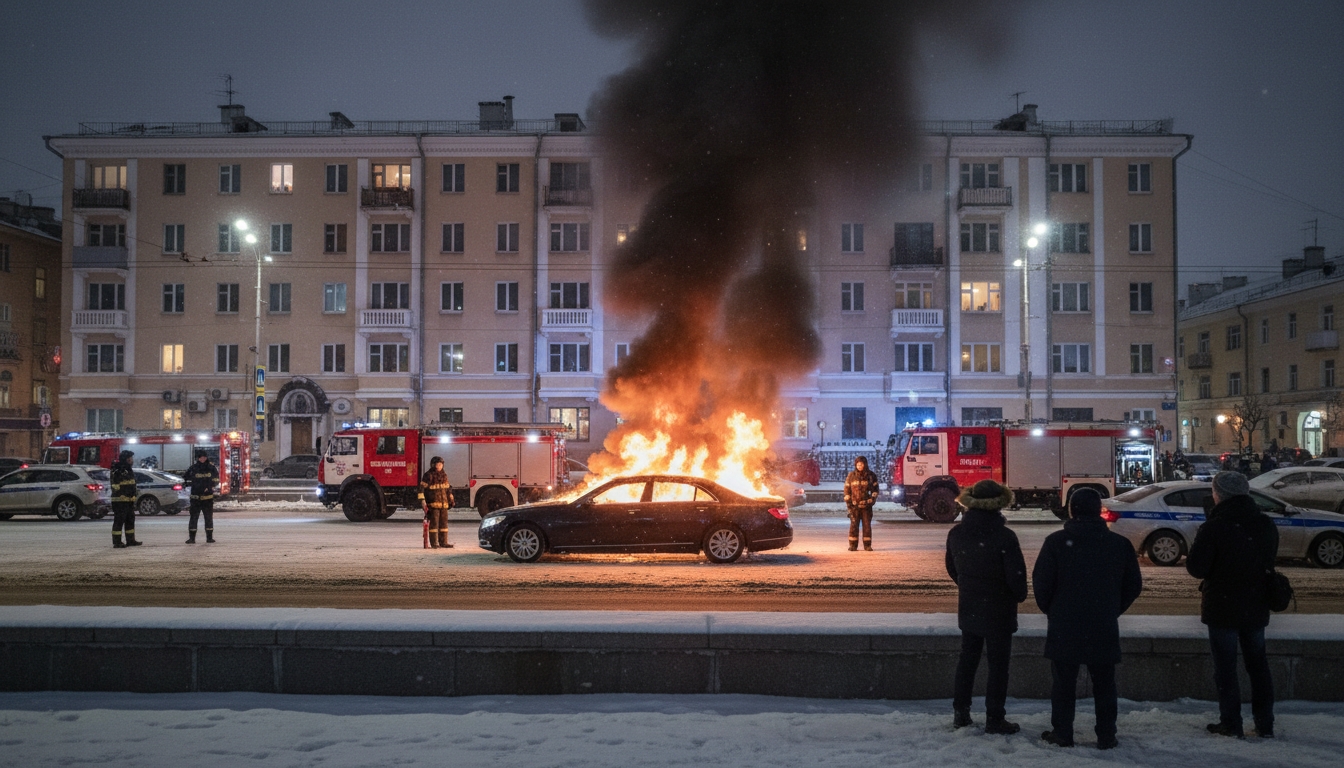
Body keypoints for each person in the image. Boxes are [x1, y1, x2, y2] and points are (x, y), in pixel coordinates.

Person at [1032, 488, 1143, 749]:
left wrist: (1054, 610)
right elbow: (1133, 585)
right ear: (1099, 511)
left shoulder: (1056, 542)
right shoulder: (1119, 544)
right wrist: (1112, 608)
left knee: (1063, 684)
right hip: (1102, 622)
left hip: (1065, 623)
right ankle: (1106, 735)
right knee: (1104, 684)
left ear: (1072, 510)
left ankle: (1062, 732)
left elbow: (1041, 584)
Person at [1186, 470, 1279, 738]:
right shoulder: (1264, 524)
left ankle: (1231, 722)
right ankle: (1265, 723)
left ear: (1218, 494)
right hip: (1256, 603)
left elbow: (1197, 568)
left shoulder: (1215, 526)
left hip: (1222, 606)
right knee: (1258, 666)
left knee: (1226, 669)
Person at [945, 479, 1028, 734]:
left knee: (967, 660)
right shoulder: (1005, 537)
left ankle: (961, 713)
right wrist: (1016, 595)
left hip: (970, 606)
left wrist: (968, 585)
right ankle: (995, 717)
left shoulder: (956, 533)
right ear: (998, 505)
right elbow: (1016, 577)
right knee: (998, 666)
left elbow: (952, 568)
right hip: (999, 610)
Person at [181, 450, 220, 544]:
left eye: (204, 457)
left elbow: (216, 479)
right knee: (194, 518)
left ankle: (209, 538)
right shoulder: (193, 468)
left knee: (208, 518)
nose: (203, 459)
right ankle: (192, 538)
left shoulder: (211, 468)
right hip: (195, 499)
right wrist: (195, 486)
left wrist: (210, 486)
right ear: (197, 458)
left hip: (208, 499)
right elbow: (186, 479)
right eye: (201, 457)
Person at [843, 456, 879, 551]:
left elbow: (875, 490)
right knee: (854, 526)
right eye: (858, 464)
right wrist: (849, 503)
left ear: (865, 465)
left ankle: (867, 545)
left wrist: (872, 500)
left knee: (867, 526)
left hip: (866, 506)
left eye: (861, 464)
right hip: (854, 506)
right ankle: (853, 545)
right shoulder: (851, 476)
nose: (859, 466)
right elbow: (847, 490)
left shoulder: (871, 476)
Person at [418, 456, 454, 549]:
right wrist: (423, 502)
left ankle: (444, 542)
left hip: (444, 504)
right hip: (433, 504)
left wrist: (450, 498)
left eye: (441, 464)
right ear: (433, 465)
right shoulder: (428, 475)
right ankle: (434, 543)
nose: (439, 466)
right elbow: (421, 490)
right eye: (437, 464)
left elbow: (447, 488)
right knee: (434, 525)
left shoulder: (444, 475)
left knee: (444, 524)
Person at [109, 450, 141, 548]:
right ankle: (117, 542)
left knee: (130, 520)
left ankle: (130, 540)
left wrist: (133, 495)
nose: (132, 460)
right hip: (120, 500)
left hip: (129, 500)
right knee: (119, 521)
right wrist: (121, 494)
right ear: (125, 459)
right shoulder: (118, 469)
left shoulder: (128, 469)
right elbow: (115, 485)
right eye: (130, 459)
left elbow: (131, 484)